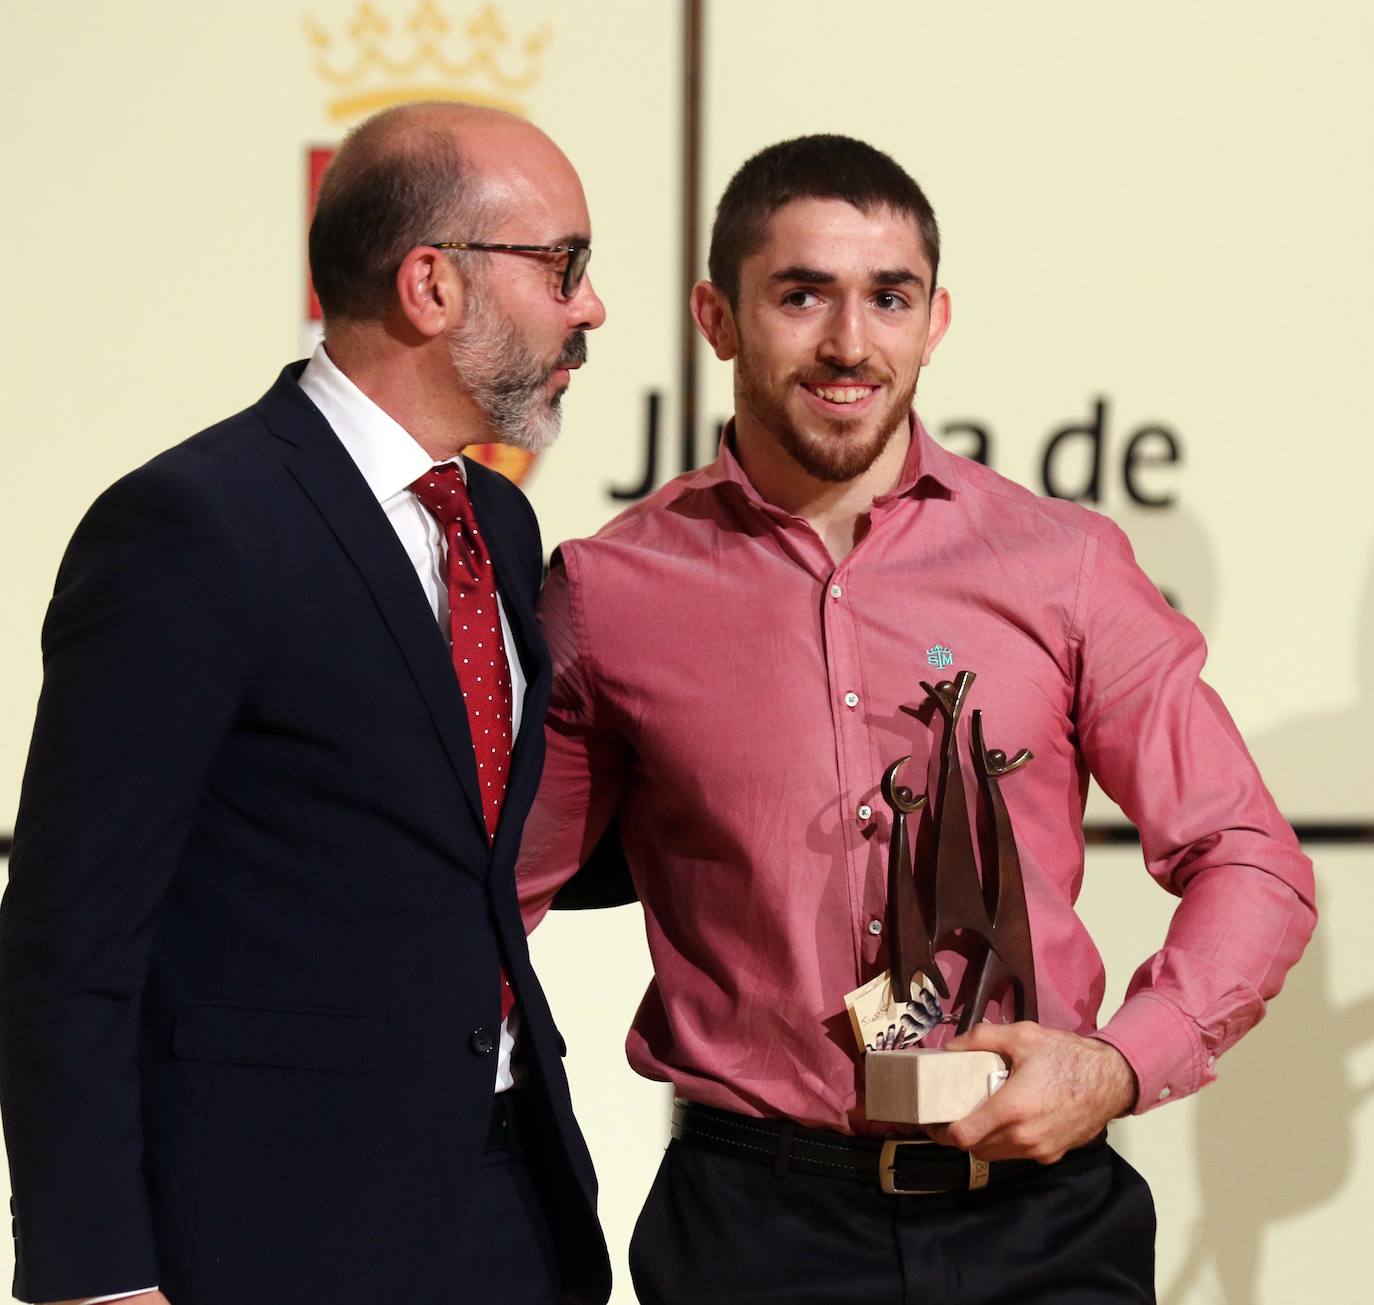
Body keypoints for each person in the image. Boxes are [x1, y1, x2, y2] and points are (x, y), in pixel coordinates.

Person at [517, 134, 1316, 1304]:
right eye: (802, 295)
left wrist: (1118, 1065)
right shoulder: (609, 592)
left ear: (935, 319)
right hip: (752, 1230)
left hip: (1044, 1223)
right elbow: (488, 902)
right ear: (716, 316)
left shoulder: (1066, 565)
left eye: (888, 298)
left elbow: (1250, 858)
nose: (850, 344)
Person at [0, 102, 610, 1305]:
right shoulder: (194, 528)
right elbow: (67, 940)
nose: (589, 307)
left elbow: (451, 844)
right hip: (273, 1228)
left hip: (508, 1212)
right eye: (563, 265)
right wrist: (96, 1276)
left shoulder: (498, 521)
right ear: (431, 284)